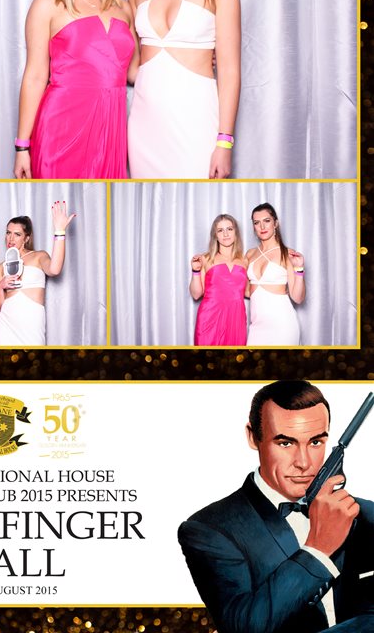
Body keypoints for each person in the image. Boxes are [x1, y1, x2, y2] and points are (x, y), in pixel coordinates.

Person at [178, 380, 374, 633]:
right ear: (253, 437)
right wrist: (318, 549)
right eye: (285, 443)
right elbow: (245, 628)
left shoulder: (365, 514)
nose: (303, 463)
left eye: (315, 442)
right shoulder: (209, 529)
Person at [127, 0, 241, 179]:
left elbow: (229, 71)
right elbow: (133, 65)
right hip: (144, 126)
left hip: (197, 121)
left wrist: (224, 142)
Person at [13, 0, 138, 180]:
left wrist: (190, 56)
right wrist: (22, 146)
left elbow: (135, 73)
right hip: (62, 125)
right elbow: (35, 77)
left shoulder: (125, 9)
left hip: (110, 126)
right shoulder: (48, 3)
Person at [0, 200, 76, 345]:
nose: (11, 238)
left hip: (32, 321)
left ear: (26, 238)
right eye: (8, 233)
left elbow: (55, 269)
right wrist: (0, 286)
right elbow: (1, 306)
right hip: (6, 324)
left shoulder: (39, 256)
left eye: (17, 234)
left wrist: (59, 231)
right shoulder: (1, 266)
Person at [246, 202, 305, 345]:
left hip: (283, 325)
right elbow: (246, 291)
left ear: (276, 223)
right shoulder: (249, 254)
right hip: (256, 327)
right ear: (253, 227)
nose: (262, 226)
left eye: (267, 221)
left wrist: (299, 268)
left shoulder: (287, 253)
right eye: (257, 223)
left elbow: (298, 298)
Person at [190, 213, 247, 346]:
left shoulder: (244, 261)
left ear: (236, 232)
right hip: (210, 318)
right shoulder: (205, 259)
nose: (226, 234)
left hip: (236, 319)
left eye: (229, 229)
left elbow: (249, 291)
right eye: (220, 230)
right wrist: (196, 271)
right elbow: (196, 294)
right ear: (215, 235)